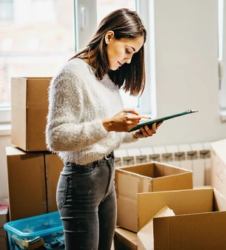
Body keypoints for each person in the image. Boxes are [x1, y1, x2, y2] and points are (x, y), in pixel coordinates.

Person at [45, 8, 161, 250]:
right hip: (81, 183)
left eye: (134, 53)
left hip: (106, 178)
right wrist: (109, 124)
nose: (129, 60)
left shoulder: (105, 77)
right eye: (128, 50)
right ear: (109, 37)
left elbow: (104, 135)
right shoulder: (71, 74)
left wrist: (134, 133)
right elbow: (56, 138)